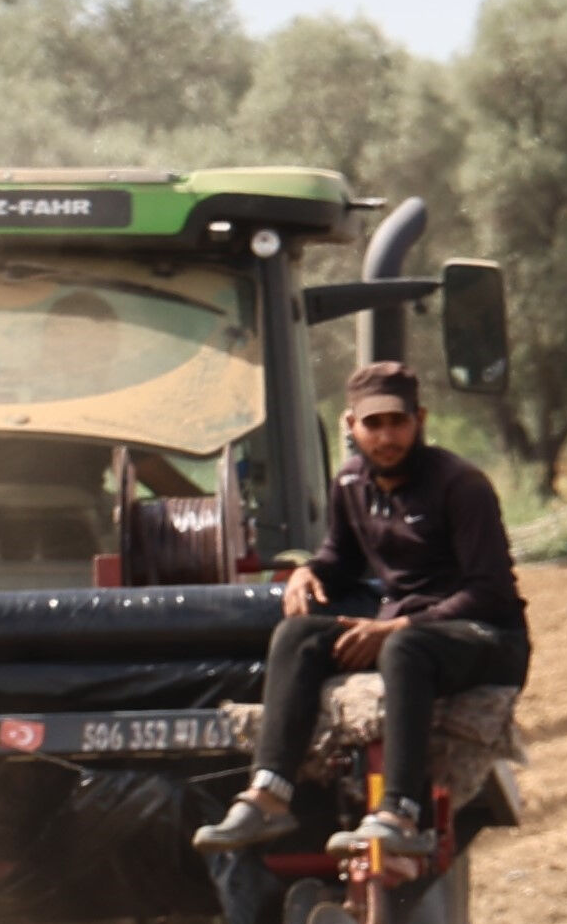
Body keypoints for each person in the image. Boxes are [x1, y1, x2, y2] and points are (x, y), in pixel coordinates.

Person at [200, 358, 528, 863]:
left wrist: (399, 624)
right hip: (408, 633)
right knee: (298, 635)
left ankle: (399, 813)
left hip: (483, 636)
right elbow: (341, 559)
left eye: (398, 422)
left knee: (405, 646)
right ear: (351, 426)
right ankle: (269, 795)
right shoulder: (351, 483)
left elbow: (490, 592)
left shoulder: (460, 485)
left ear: (420, 419)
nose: (387, 437)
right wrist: (309, 572)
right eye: (373, 424)